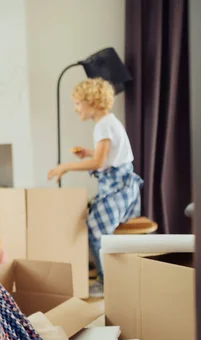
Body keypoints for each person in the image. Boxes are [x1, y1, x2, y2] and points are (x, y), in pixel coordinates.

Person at [47, 77, 143, 298]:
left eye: (78, 103)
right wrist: (88, 152)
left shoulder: (103, 126)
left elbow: (99, 163)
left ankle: (107, 281)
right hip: (121, 185)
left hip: (117, 188)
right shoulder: (110, 122)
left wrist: (66, 166)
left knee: (96, 229)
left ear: (92, 102)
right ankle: (107, 277)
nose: (75, 108)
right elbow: (109, 156)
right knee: (95, 225)